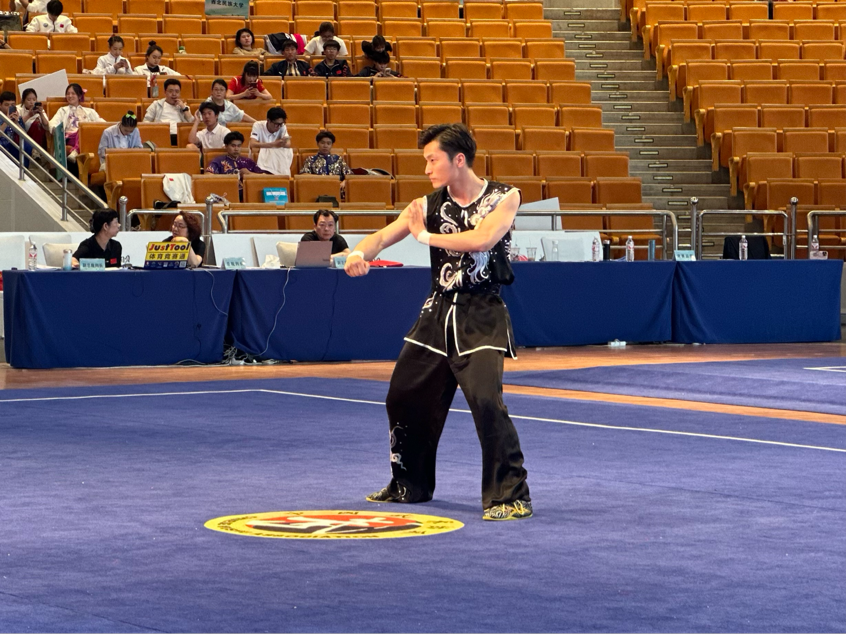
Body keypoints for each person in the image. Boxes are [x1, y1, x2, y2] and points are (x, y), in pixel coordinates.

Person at [344, 123, 532, 521]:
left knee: (486, 401)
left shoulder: (504, 197)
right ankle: (408, 484)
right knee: (402, 395)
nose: (427, 168)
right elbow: (381, 237)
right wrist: (357, 254)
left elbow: (482, 239)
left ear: (458, 159)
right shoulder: (425, 205)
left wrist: (424, 237)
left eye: (432, 160)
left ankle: (510, 496)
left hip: (481, 313)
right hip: (437, 312)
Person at [48, 83, 104, 161]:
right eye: (68, 94)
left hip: (85, 138)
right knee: (81, 130)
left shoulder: (90, 111)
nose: (70, 96)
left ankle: (75, 151)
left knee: (83, 129)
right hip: (70, 138)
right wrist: (55, 129)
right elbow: (53, 122)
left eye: (73, 93)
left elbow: (101, 123)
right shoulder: (62, 110)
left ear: (79, 96)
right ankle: (75, 150)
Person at [205, 131, 269, 198]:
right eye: (233, 146)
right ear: (226, 146)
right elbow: (207, 175)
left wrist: (249, 174)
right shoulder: (219, 161)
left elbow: (265, 177)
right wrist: (229, 178)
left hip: (248, 195)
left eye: (239, 146)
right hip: (225, 194)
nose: (236, 149)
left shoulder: (248, 161)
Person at [143, 78, 193, 145]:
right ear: (165, 92)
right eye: (170, 91)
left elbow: (192, 123)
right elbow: (145, 122)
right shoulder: (156, 105)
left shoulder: (184, 108)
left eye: (177, 91)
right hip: (161, 136)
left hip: (179, 137)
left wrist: (184, 108)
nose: (174, 94)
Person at [249, 107, 293, 176]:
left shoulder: (282, 126)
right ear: (268, 120)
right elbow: (252, 144)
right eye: (276, 124)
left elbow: (288, 144)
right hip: (261, 153)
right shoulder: (257, 125)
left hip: (276, 155)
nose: (278, 127)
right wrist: (273, 144)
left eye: (281, 124)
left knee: (287, 151)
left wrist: (283, 143)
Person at [0, 91, 30, 165]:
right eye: (6, 105)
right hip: (2, 146)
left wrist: (16, 123)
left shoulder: (17, 118)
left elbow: (24, 136)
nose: (9, 107)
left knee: (27, 145)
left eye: (12, 105)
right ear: (0, 105)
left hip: (13, 146)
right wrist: (7, 121)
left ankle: (23, 170)